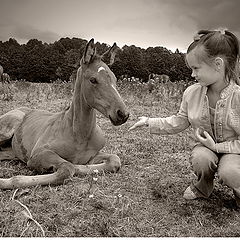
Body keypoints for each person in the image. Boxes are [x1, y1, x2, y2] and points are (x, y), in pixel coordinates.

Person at [129, 29, 240, 206]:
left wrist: (218, 146)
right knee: (201, 159)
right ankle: (202, 187)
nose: (192, 74)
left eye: (196, 68)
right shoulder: (191, 93)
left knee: (231, 172)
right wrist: (149, 122)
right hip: (205, 148)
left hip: (234, 151)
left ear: (218, 64)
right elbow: (179, 120)